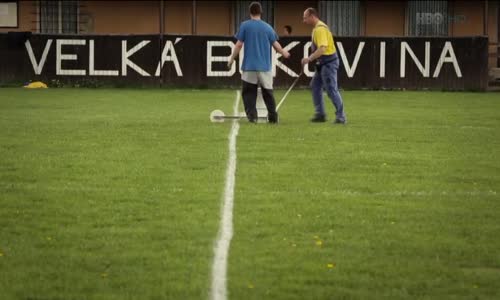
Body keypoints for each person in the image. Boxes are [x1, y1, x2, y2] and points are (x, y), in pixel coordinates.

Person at [227, 2, 290, 123]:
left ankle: (253, 117)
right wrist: (284, 53)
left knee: (249, 93)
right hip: (265, 67)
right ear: (261, 12)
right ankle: (273, 118)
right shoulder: (268, 27)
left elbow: (239, 44)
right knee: (268, 93)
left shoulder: (245, 26)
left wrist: (231, 59)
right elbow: (276, 45)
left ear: (250, 12)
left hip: (249, 66)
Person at [301, 7, 346, 124]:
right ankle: (320, 114)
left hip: (329, 63)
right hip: (322, 64)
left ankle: (341, 116)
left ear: (312, 16)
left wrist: (309, 59)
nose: (304, 21)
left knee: (331, 90)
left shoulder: (320, 29)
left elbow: (322, 48)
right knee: (315, 86)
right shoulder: (318, 28)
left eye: (305, 18)